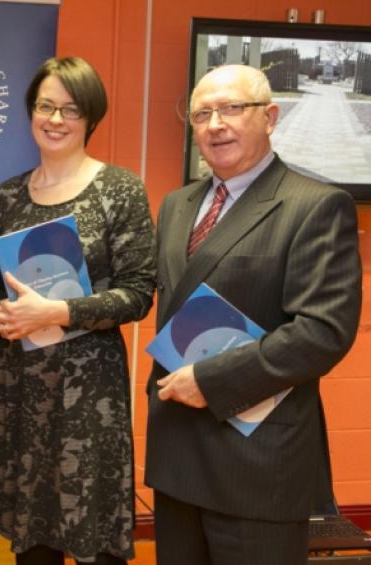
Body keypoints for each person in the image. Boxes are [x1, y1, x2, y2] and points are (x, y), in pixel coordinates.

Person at [145, 64, 362, 565]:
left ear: (270, 116)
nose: (215, 124)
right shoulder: (176, 206)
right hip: (177, 452)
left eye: (231, 109)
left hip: (258, 464)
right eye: (202, 114)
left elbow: (322, 332)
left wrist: (211, 380)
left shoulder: (316, 205)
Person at [0, 56, 157, 565]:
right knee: (32, 538)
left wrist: (58, 312)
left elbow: (139, 293)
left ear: (91, 117)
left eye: (70, 109)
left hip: (87, 393)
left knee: (93, 535)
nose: (55, 119)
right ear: (31, 112)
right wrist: (1, 314)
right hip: (18, 385)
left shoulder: (120, 190)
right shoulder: (5, 197)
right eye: (45, 106)